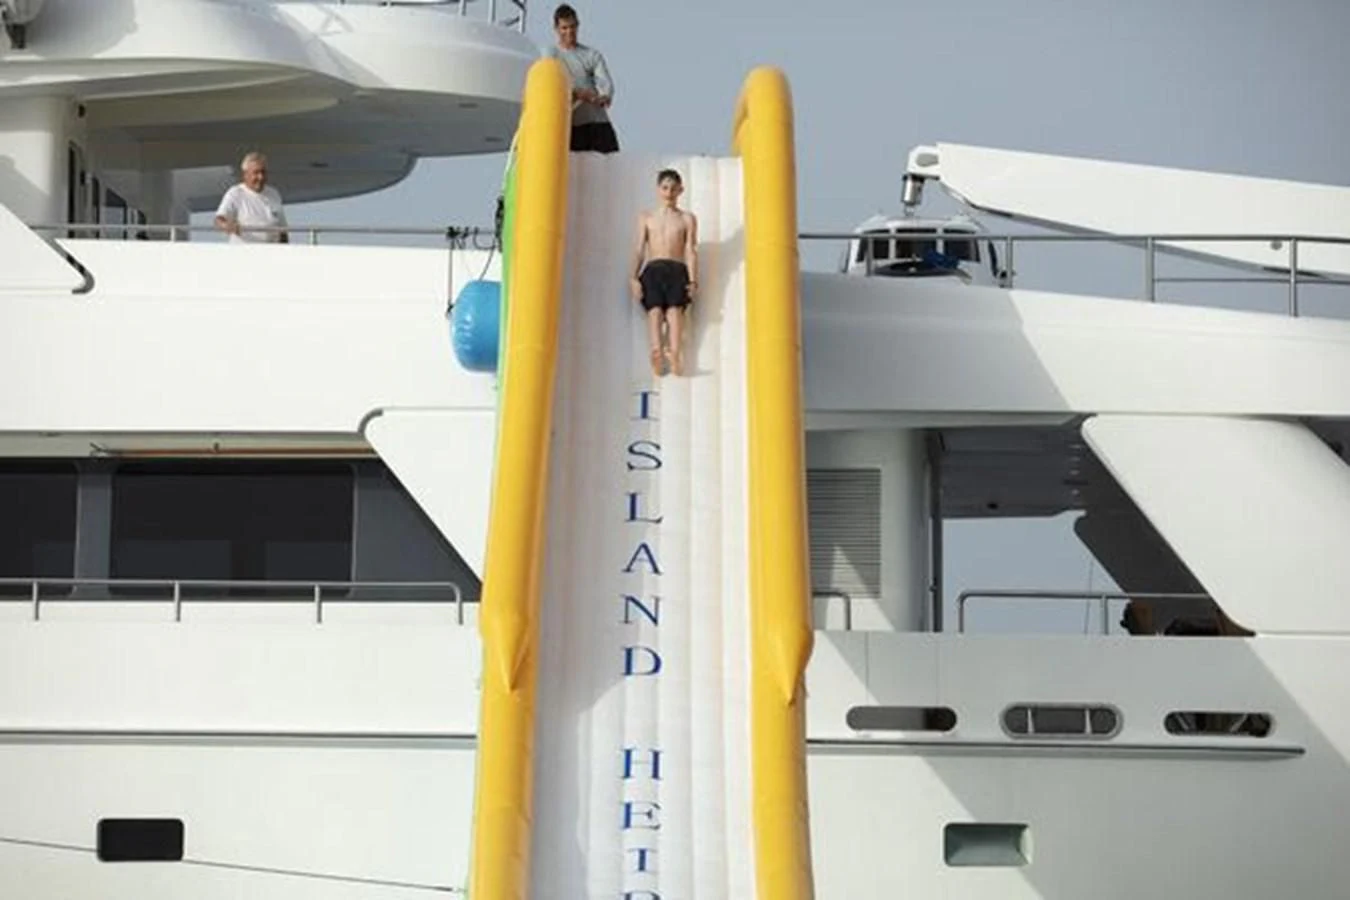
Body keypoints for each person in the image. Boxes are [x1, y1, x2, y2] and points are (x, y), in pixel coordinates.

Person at [631, 169, 698, 376]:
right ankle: (657, 350)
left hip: (677, 268)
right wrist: (633, 277)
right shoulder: (647, 217)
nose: (669, 193)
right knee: (655, 309)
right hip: (653, 267)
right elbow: (639, 248)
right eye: (665, 188)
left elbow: (690, 250)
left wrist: (693, 280)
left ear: (681, 190)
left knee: (675, 310)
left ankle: (675, 352)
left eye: (673, 188)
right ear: (658, 190)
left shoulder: (686, 218)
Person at [545, 4, 619, 154]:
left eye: (572, 26)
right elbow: (549, 84)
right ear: (556, 29)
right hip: (570, 126)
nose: (569, 32)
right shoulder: (550, 55)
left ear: (578, 26)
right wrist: (577, 93)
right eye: (564, 28)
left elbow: (605, 83)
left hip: (597, 124)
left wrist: (603, 96)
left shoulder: (591, 55)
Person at [214, 151, 288, 243]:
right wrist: (227, 225)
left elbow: (282, 230)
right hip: (245, 253)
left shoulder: (274, 193)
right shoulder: (235, 193)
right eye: (256, 173)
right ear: (245, 174)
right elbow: (219, 220)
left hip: (270, 252)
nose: (260, 177)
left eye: (263, 172)